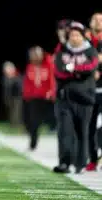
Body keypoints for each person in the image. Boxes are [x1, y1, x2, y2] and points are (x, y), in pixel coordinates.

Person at [53, 22, 99, 174]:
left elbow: (91, 67)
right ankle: (64, 162)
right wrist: (76, 73)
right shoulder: (63, 49)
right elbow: (58, 71)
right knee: (65, 131)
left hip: (85, 98)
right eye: (71, 34)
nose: (74, 37)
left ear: (82, 36)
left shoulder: (90, 50)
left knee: (82, 132)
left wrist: (74, 70)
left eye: (77, 34)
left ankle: (80, 163)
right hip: (65, 98)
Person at [22, 46, 56, 150]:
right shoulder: (30, 66)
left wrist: (52, 92)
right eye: (33, 55)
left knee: (51, 118)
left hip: (47, 97)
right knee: (32, 121)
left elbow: (52, 79)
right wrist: (26, 95)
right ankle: (33, 141)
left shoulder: (48, 64)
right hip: (34, 98)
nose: (35, 57)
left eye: (37, 55)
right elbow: (27, 83)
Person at [86, 12, 102, 171]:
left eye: (101, 20)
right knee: (89, 126)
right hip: (88, 89)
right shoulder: (84, 40)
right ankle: (92, 158)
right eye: (95, 19)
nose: (98, 22)